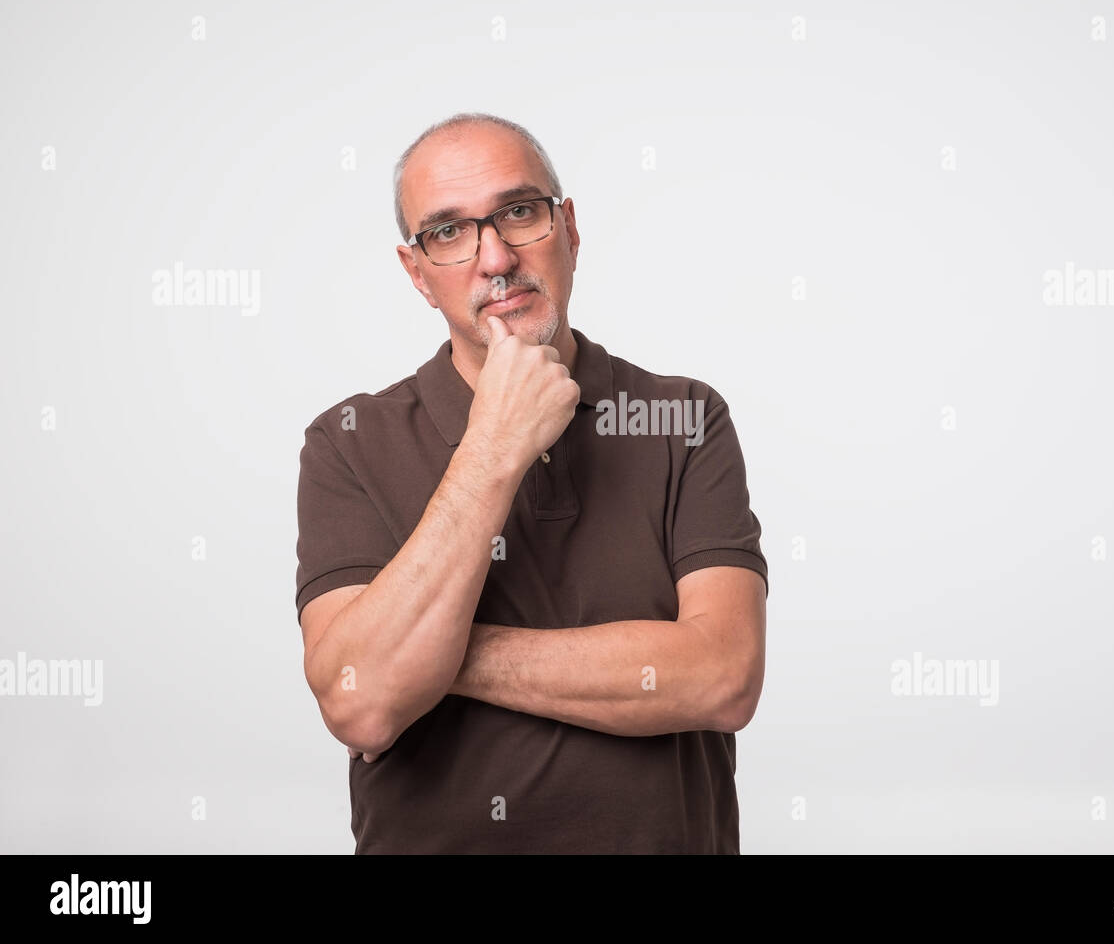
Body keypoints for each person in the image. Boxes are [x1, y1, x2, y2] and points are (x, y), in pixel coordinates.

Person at [294, 112, 768, 853]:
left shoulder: (682, 418)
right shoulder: (348, 444)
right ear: (416, 273)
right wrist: (493, 447)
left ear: (569, 228)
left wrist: (435, 660)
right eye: (448, 232)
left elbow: (722, 678)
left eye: (519, 213)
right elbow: (360, 703)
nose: (494, 258)